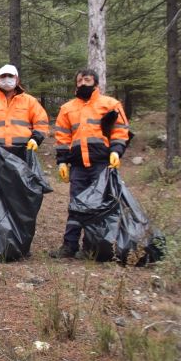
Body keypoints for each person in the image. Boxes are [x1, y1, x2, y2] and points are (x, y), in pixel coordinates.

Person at [49, 68, 131, 258]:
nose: (83, 83)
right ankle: (69, 246)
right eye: (79, 81)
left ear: (96, 83)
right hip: (78, 166)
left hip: (102, 165)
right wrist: (62, 162)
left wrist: (116, 152)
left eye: (87, 80)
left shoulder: (110, 104)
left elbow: (121, 130)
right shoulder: (67, 108)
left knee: (100, 206)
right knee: (76, 205)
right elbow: (63, 137)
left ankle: (93, 247)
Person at [0, 64, 49, 157]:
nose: (7, 79)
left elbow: (41, 123)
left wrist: (35, 139)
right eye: (3, 76)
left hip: (24, 152)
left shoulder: (30, 101)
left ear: (17, 80)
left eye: (10, 76)